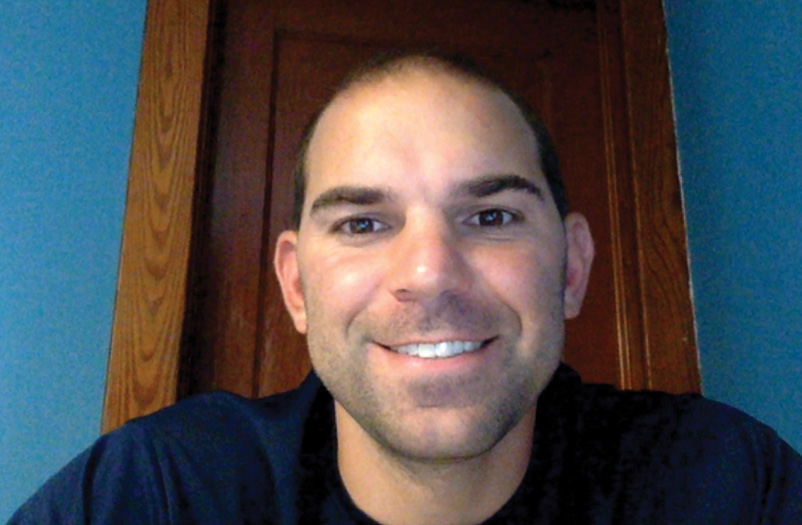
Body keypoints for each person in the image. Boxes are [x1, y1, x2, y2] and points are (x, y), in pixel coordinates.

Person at [9, 50, 802, 524]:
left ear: (571, 267)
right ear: (295, 285)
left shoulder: (720, 483)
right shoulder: (161, 494)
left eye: (491, 216)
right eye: (362, 224)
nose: (429, 273)